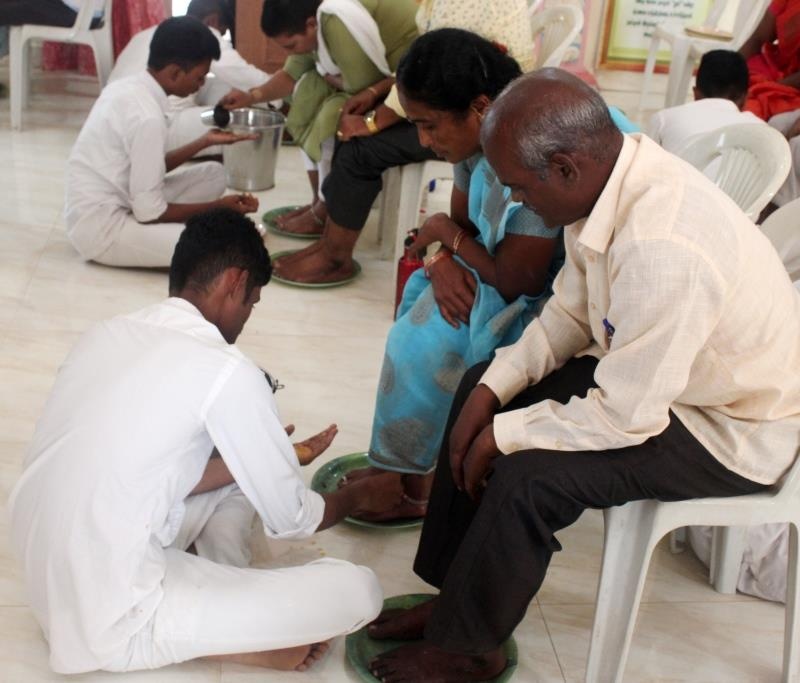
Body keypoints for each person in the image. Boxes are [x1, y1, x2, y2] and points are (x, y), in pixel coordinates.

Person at [365, 69, 800, 683]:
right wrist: (491, 392)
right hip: (665, 379)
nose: (516, 202)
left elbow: (627, 415)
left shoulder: (663, 245)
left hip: (730, 426)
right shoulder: (610, 179)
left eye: (518, 187)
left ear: (565, 168)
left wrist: (505, 435)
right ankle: (456, 601)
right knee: (482, 388)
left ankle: (469, 650)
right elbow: (569, 311)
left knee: (528, 474)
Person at [8, 208, 404, 676]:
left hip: (43, 579)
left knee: (235, 479)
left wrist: (265, 458)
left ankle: (221, 606)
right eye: (251, 303)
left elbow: (146, 472)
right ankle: (225, 633)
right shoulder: (227, 368)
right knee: (359, 591)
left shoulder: (105, 333)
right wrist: (357, 495)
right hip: (111, 615)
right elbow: (294, 519)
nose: (245, 321)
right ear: (236, 283)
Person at [337, 29, 563, 519]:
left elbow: (519, 279)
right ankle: (402, 467)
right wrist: (440, 258)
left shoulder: (531, 143)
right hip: (501, 268)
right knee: (420, 313)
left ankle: (416, 487)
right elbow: (460, 229)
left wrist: (444, 234)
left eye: (430, 126)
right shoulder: (480, 140)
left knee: (429, 340)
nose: (423, 140)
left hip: (560, 292)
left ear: (479, 107)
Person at [270, 0, 537, 283]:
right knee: (351, 128)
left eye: (427, 128)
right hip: (459, 101)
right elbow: (427, 61)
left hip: (474, 104)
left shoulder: (526, 172)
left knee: (360, 148)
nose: (423, 140)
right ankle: (328, 237)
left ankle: (334, 257)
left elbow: (443, 71)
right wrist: (376, 91)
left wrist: (372, 122)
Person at [65, 16, 260, 268]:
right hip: (102, 230)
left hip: (124, 201)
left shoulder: (129, 87)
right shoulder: (147, 117)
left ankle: (158, 237)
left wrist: (203, 142)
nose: (201, 85)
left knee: (214, 174)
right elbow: (150, 213)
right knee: (215, 249)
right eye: (200, 78)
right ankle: (155, 238)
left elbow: (146, 169)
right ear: (175, 73)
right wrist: (217, 207)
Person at [220, 0, 418, 229]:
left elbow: (360, 84)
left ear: (311, 24)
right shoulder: (314, 18)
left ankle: (326, 208)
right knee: (304, 96)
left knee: (330, 115)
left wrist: (329, 78)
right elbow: (290, 75)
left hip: (411, 80)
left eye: (291, 45)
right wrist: (252, 97)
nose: (290, 53)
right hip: (377, 80)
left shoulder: (334, 20)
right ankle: (318, 201)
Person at [108, 1, 275, 155]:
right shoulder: (201, 35)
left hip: (118, 119)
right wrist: (278, 94)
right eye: (222, 32)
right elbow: (242, 73)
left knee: (227, 87)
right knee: (244, 117)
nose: (220, 36)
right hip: (159, 126)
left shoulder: (151, 33)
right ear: (212, 22)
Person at [647, 50, 763, 153]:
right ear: (745, 98)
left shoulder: (664, 119)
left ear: (696, 94)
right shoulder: (763, 131)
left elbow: (643, 168)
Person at [739, 0, 800, 120]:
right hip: (778, 70)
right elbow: (758, 38)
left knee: (750, 107)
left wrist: (766, 87)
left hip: (791, 85)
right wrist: (729, 67)